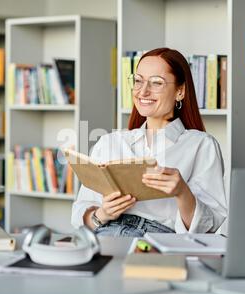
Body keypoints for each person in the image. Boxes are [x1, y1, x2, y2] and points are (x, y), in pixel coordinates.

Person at [71, 47, 227, 237]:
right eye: (138, 81)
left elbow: (208, 226)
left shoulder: (202, 145)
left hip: (159, 240)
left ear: (180, 91)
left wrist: (182, 191)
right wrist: (103, 214)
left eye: (156, 83)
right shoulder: (109, 142)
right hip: (106, 234)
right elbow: (80, 215)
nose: (143, 91)